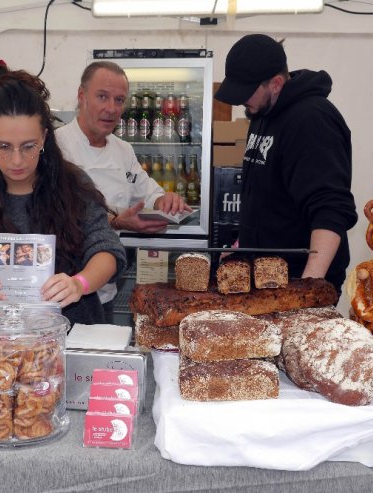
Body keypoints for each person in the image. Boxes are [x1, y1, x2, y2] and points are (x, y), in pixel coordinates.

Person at [0, 64, 127, 325]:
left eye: (28, 146)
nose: (16, 160)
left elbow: (107, 250)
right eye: (4, 146)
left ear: (44, 137)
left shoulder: (73, 185)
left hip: (69, 336)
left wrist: (79, 284)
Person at [214, 34, 357, 293]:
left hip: (298, 277)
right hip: (264, 274)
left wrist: (308, 286)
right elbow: (263, 193)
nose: (241, 101)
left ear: (276, 83)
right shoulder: (262, 111)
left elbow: (331, 208)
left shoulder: (313, 120)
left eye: (246, 92)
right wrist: (241, 246)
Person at [56, 61, 191, 320]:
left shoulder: (123, 150)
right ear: (81, 96)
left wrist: (165, 200)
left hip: (105, 289)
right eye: (102, 97)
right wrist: (117, 221)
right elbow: (64, 213)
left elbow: (147, 191)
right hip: (64, 290)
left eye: (119, 100)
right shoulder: (57, 146)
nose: (111, 109)